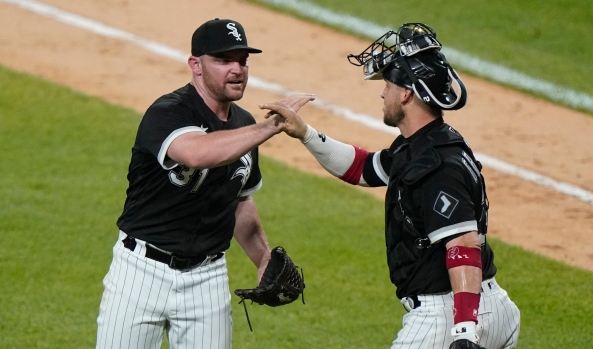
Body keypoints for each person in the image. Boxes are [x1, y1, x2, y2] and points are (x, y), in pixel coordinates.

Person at [260, 23, 520, 349]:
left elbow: (463, 245)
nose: (383, 93)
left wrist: (465, 331)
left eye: (388, 84)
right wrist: (306, 133)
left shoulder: (435, 166)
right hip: (487, 306)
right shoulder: (424, 145)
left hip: (449, 314)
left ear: (407, 93)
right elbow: (362, 168)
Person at [95, 18, 313, 349]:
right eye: (224, 60)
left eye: (242, 60)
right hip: (140, 272)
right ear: (196, 65)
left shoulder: (244, 125)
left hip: (207, 279)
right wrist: (272, 126)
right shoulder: (168, 112)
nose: (237, 69)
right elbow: (198, 153)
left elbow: (239, 200)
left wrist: (263, 257)